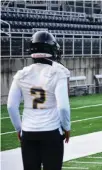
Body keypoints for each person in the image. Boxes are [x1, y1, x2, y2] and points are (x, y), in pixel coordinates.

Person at [7, 31, 71, 170]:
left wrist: (19, 128)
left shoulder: (21, 74)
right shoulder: (58, 72)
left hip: (28, 132)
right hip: (51, 131)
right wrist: (67, 127)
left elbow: (11, 106)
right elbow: (63, 107)